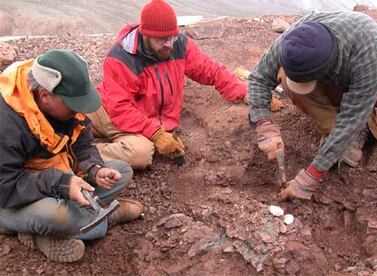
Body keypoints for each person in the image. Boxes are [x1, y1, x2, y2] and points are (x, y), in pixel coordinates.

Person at [248, 11, 377, 200]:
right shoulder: (294, 38)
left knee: (358, 119)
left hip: (375, 83)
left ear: (327, 67)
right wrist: (264, 124)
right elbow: (258, 77)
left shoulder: (368, 46)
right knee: (286, 77)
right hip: (330, 89)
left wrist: (312, 175)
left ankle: (367, 127)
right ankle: (334, 127)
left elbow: (352, 116)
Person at [88, 0, 270, 169]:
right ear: (146, 35)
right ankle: (78, 156)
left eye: (171, 37)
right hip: (105, 110)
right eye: (162, 39)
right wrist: (156, 133)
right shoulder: (121, 57)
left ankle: (87, 153)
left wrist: (246, 92)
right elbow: (120, 107)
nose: (169, 44)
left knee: (140, 155)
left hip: (137, 123)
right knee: (65, 123)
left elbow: (211, 70)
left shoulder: (179, 46)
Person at [0, 49, 143, 262]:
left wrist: (94, 170)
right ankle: (100, 221)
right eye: (73, 104)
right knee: (56, 215)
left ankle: (53, 227)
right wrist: (62, 184)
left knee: (122, 172)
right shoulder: (7, 121)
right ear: (45, 95)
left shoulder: (67, 104)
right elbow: (6, 185)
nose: (79, 110)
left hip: (49, 179)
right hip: (8, 197)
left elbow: (83, 145)